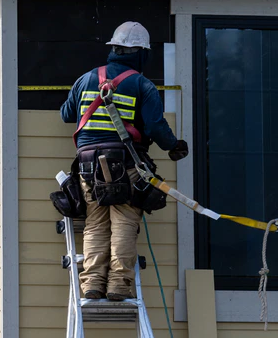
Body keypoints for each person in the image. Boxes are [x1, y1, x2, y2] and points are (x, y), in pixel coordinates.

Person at [60, 21, 189, 301]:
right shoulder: (142, 84)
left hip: (87, 166)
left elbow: (67, 114)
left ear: (114, 49)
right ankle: (118, 285)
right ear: (141, 54)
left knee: (95, 223)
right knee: (124, 221)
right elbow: (155, 127)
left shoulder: (86, 79)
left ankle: (92, 283)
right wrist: (174, 146)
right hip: (127, 163)